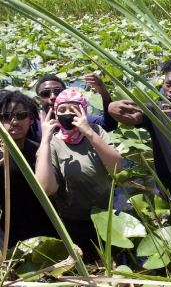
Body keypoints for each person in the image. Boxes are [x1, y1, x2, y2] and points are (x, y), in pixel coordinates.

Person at [108, 60, 171, 211]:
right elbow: (132, 119)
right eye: (169, 84)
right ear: (163, 84)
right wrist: (111, 109)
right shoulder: (153, 110)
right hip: (166, 181)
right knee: (169, 217)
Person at [36, 89, 123, 256]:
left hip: (107, 214)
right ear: (55, 112)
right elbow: (47, 189)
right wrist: (45, 141)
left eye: (74, 109)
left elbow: (116, 168)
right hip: (75, 221)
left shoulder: (96, 131)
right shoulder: (52, 144)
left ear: (84, 111)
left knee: (117, 258)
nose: (68, 114)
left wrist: (88, 132)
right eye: (62, 110)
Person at [0, 90, 58, 247]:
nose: (14, 121)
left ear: (31, 119)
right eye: (5, 117)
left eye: (21, 115)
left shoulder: (38, 149)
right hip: (12, 241)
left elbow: (49, 190)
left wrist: (46, 141)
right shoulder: (1, 157)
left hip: (48, 232)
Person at [27, 74, 118, 142]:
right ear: (39, 100)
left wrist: (104, 94)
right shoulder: (32, 125)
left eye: (57, 91)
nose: (53, 96)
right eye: (45, 93)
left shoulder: (80, 118)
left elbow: (109, 124)